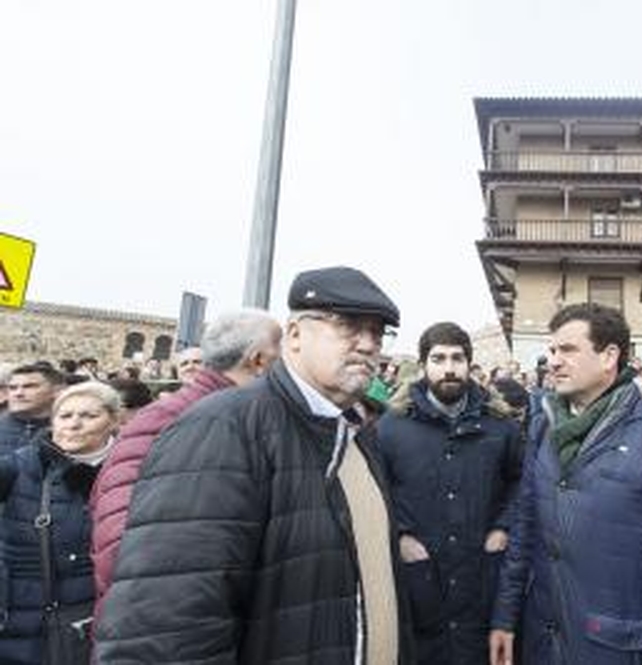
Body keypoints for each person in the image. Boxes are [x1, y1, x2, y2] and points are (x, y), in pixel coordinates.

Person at [93, 267, 413, 665]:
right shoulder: (223, 428)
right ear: (294, 334)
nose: (368, 344)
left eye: (378, 333)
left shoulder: (357, 434)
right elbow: (167, 625)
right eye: (348, 326)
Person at [490, 303, 642, 665]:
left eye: (567, 350)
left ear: (609, 356)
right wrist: (505, 618)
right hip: (543, 645)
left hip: (622, 650)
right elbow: (525, 530)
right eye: (552, 350)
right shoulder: (542, 427)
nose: (552, 361)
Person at [89, 309, 283, 620]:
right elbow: (119, 544)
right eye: (283, 352)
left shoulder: (241, 416)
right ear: (259, 360)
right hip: (159, 627)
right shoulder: (172, 419)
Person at [376, 322, 522, 665]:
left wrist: (502, 528)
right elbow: (376, 491)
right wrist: (400, 536)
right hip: (418, 584)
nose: (449, 368)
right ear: (424, 365)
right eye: (438, 358)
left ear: (469, 364)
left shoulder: (500, 427)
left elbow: (521, 483)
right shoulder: (391, 427)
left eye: (457, 358)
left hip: (481, 581)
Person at [0, 381, 121, 665]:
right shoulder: (25, 463)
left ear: (114, 420)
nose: (74, 424)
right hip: (24, 615)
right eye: (65, 416)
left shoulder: (130, 468)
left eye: (89, 416)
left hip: (97, 615)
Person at [0, 363, 66, 455]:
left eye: (29, 386)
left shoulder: (73, 427)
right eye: (12, 388)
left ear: (57, 391)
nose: (18, 393)